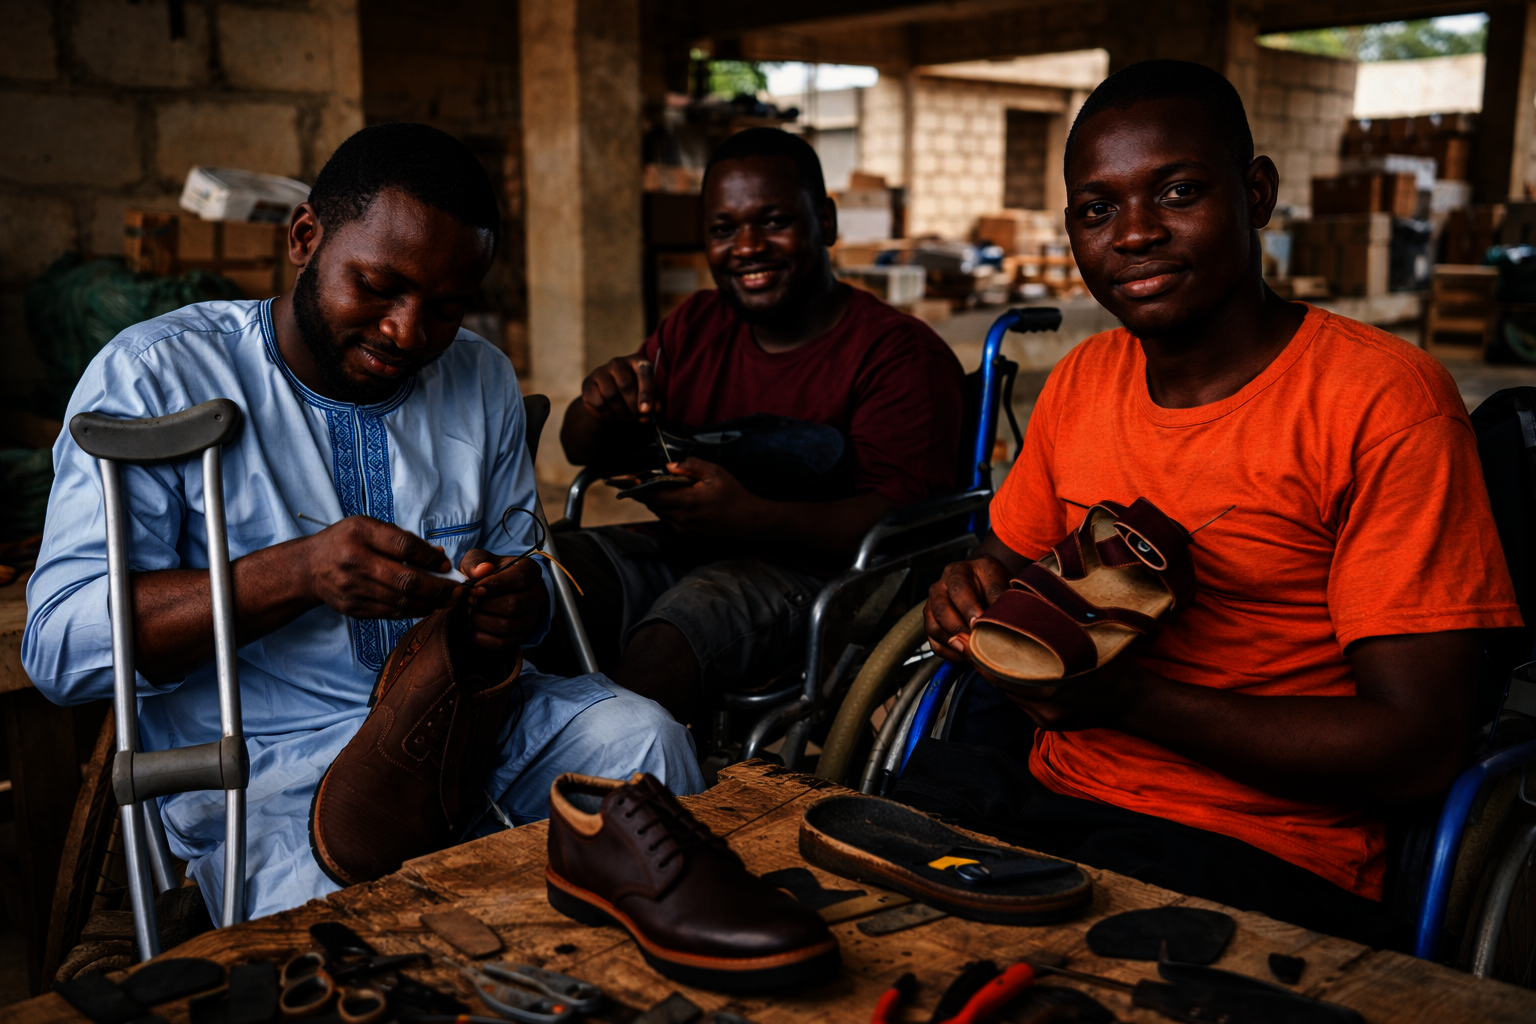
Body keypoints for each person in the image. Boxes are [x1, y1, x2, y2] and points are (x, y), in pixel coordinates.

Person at [23, 123, 703, 920]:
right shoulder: (156, 374)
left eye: (446, 308)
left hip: (465, 730)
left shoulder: (478, 374)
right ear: (305, 237)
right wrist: (295, 573)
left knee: (643, 741)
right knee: (357, 931)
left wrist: (517, 602)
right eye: (379, 287)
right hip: (278, 767)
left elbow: (528, 577)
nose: (408, 332)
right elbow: (60, 645)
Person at [913, 61, 1522, 946]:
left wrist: (1129, 703)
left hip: (1257, 849)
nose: (1134, 234)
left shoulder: (1382, 404)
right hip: (1045, 794)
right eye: (1096, 208)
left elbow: (1418, 746)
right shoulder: (1084, 379)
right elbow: (1003, 565)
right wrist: (965, 591)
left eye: (1179, 191)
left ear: (1257, 192)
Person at [551, 128, 965, 727]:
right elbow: (577, 447)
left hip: (817, 577)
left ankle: (609, 795)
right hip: (685, 550)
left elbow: (898, 527)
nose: (746, 247)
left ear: (825, 221)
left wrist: (750, 517)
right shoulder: (695, 326)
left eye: (772, 222)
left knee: (670, 639)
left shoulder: (898, 354)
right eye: (723, 229)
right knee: (537, 581)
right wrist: (598, 404)